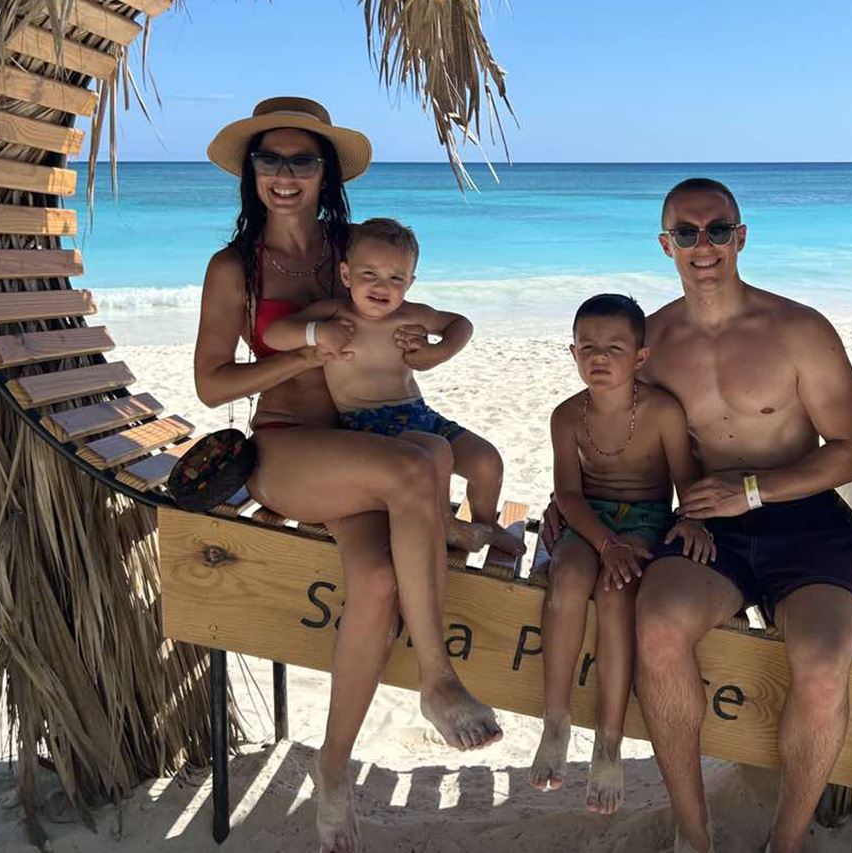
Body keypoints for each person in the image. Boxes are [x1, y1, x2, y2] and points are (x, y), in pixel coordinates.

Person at [193, 97, 502, 853]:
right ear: (251, 171)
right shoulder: (235, 267)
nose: (285, 174)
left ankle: (332, 768)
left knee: (377, 575)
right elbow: (210, 384)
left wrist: (428, 347)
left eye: (303, 159)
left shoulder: (353, 248)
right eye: (269, 159)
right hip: (290, 448)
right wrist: (303, 355)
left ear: (325, 172)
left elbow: (413, 318)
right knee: (419, 462)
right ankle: (437, 676)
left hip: (360, 447)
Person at [542, 178, 852, 853]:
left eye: (717, 229)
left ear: (740, 237)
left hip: (804, 519)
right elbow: (614, 428)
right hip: (706, 527)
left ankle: (785, 843)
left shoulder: (797, 330)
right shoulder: (654, 342)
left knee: (823, 664)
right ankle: (693, 835)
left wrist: (752, 489)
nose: (703, 245)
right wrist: (566, 499)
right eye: (686, 232)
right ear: (665, 244)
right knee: (659, 628)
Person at [527, 294, 714, 815]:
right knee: (567, 579)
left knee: (615, 594)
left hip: (647, 521)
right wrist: (603, 543)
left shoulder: (662, 411)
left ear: (640, 357)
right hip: (590, 521)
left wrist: (692, 519)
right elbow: (568, 494)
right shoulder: (567, 416)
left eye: (614, 348)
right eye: (587, 347)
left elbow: (685, 483)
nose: (599, 358)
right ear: (572, 353)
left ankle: (607, 744)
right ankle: (556, 721)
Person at [260, 217, 525, 557]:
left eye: (395, 278)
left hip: (419, 414)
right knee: (435, 451)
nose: (381, 286)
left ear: (410, 283)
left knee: (488, 462)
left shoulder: (412, 315)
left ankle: (487, 524)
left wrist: (437, 353)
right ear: (346, 275)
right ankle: (446, 526)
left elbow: (461, 324)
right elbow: (274, 334)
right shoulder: (333, 314)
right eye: (369, 273)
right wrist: (316, 333)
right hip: (366, 426)